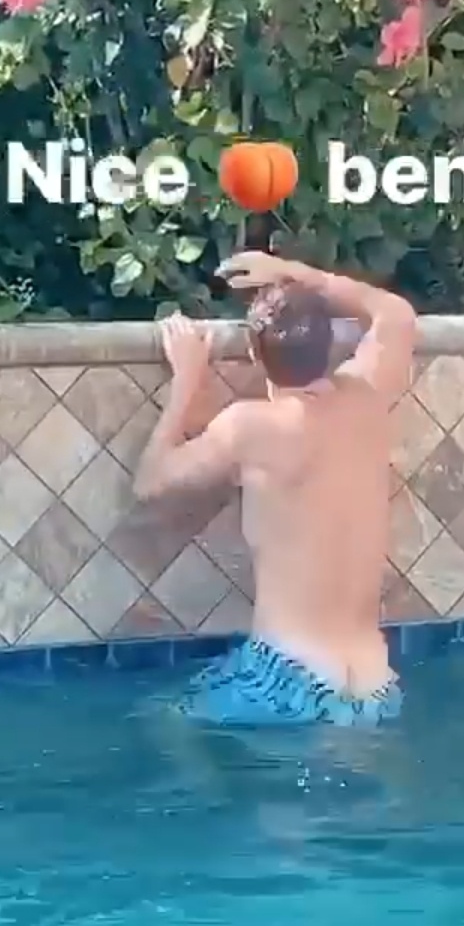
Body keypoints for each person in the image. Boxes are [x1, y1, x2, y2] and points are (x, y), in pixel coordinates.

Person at [132, 251, 418, 726]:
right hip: (376, 688)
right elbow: (396, 313)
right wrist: (296, 272)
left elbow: (150, 482)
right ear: (330, 345)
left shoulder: (252, 427)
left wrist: (186, 381)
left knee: (164, 722)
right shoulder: (368, 397)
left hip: (289, 680)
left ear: (254, 353)